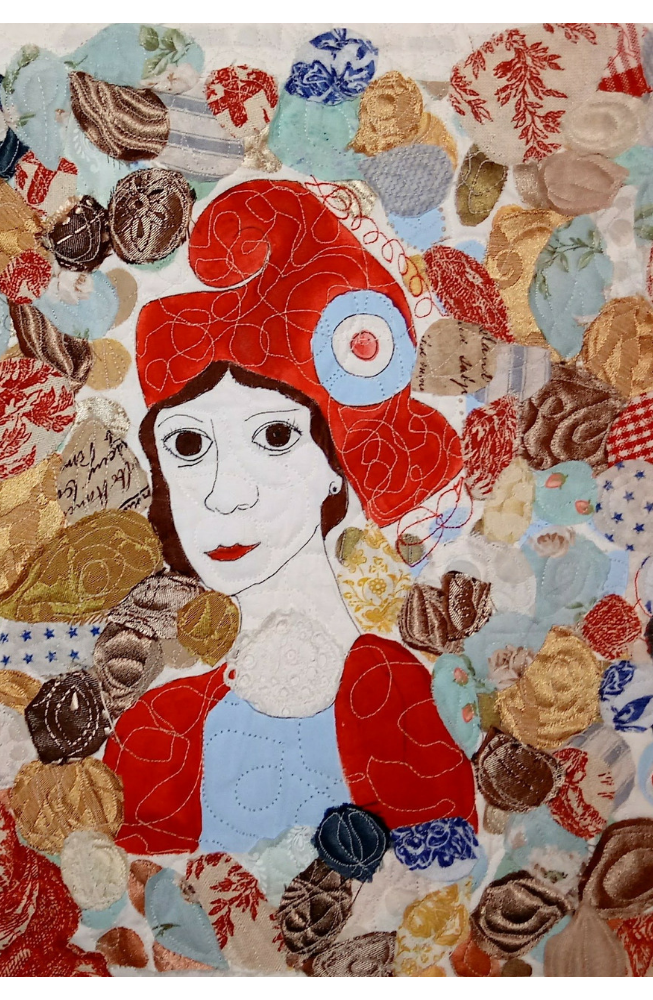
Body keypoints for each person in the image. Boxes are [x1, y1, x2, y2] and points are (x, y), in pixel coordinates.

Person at [105, 179, 474, 856]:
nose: (225, 495)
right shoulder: (154, 736)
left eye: (275, 437)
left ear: (338, 465)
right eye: (186, 445)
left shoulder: (403, 705)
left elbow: (444, 877)